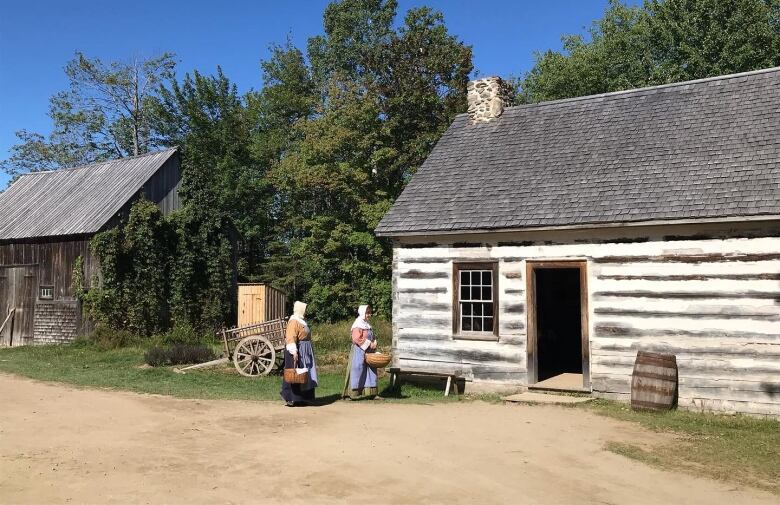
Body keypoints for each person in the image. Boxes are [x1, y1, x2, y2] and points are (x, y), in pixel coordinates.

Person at [280, 301, 318, 406]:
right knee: (295, 372)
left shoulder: (302, 321)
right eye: (304, 309)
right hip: (297, 350)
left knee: (306, 373)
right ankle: (292, 398)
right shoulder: (294, 321)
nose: (306, 311)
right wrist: (294, 351)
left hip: (305, 350)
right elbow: (291, 336)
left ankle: (305, 397)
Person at [343, 304, 380, 399]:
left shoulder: (367, 325)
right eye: (367, 313)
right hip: (359, 351)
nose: (369, 315)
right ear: (362, 313)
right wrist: (369, 343)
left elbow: (372, 336)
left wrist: (375, 341)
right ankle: (353, 394)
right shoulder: (357, 324)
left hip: (369, 352)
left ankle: (372, 393)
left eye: (370, 313)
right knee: (357, 370)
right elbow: (356, 338)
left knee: (371, 371)